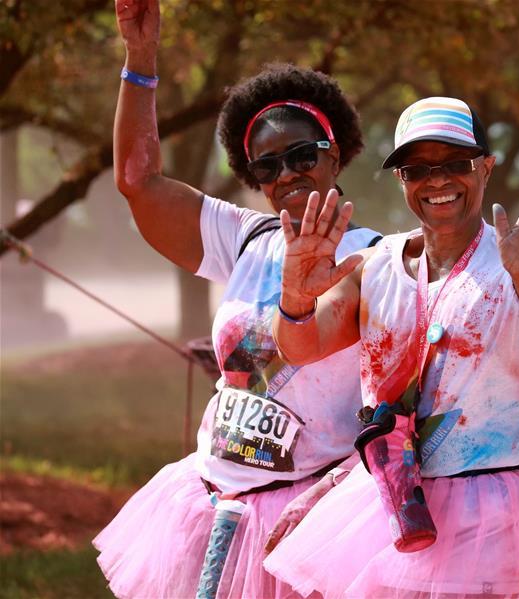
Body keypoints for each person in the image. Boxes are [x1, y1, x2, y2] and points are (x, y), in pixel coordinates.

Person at [262, 96, 519, 597]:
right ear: (402, 180)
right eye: (418, 168)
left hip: (502, 511)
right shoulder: (373, 267)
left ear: (486, 168)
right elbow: (301, 346)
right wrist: (294, 299)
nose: (438, 181)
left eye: (455, 164)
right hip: (396, 506)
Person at [93, 1, 380, 597]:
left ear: (336, 151)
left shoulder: (378, 257)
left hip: (307, 517)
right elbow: (137, 180)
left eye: (303, 155)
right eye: (268, 166)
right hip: (212, 504)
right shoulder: (246, 238)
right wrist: (141, 59)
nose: (288, 174)